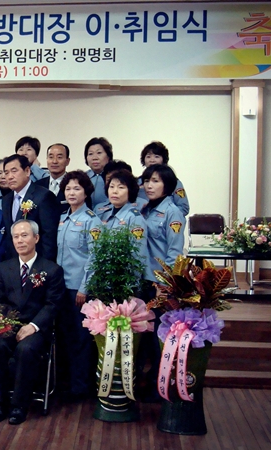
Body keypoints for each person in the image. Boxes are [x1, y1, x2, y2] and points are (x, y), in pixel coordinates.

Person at [0, 219, 65, 425]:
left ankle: (19, 405)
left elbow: (52, 305)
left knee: (26, 349)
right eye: (16, 237)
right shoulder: (4, 268)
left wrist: (33, 326)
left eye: (24, 235)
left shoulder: (51, 269)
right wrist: (2, 321)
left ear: (36, 238)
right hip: (10, 324)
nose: (20, 241)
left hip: (37, 327)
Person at [139, 163, 186, 401]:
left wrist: (165, 285)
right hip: (143, 281)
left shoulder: (172, 213)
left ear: (167, 186)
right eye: (147, 181)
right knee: (146, 336)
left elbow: (174, 253)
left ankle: (161, 388)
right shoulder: (144, 209)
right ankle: (148, 383)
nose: (149, 185)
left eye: (155, 181)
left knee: (160, 335)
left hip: (159, 284)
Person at [55, 170, 102, 399]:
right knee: (65, 336)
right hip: (61, 287)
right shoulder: (63, 218)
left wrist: (85, 287)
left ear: (86, 192)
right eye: (68, 188)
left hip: (79, 289)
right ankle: (67, 383)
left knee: (80, 339)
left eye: (77, 188)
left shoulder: (92, 221)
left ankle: (81, 387)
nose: (71, 193)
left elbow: (95, 257)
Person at [1, 154, 60, 261]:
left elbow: (49, 236)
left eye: (14, 171)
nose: (10, 177)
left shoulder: (44, 196)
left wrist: (44, 265)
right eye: (6, 173)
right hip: (14, 262)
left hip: (38, 261)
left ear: (27, 171)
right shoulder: (6, 199)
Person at [98, 169, 150, 279]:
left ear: (130, 191)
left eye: (121, 187)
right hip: (105, 277)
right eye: (111, 187)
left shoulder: (135, 218)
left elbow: (138, 255)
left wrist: (130, 282)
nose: (114, 191)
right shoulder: (106, 215)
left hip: (124, 280)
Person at [137, 141, 190, 216]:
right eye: (148, 157)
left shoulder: (173, 181)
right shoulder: (137, 182)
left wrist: (165, 216)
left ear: (163, 159)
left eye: (156, 156)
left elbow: (184, 208)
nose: (152, 160)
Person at [35, 143, 71, 214]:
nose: (54, 161)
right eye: (51, 157)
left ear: (67, 161)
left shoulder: (75, 185)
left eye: (59, 157)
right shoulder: (37, 185)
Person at [84, 137, 113, 208]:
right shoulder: (83, 177)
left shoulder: (115, 176)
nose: (95, 158)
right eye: (90, 154)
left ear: (108, 156)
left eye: (99, 153)